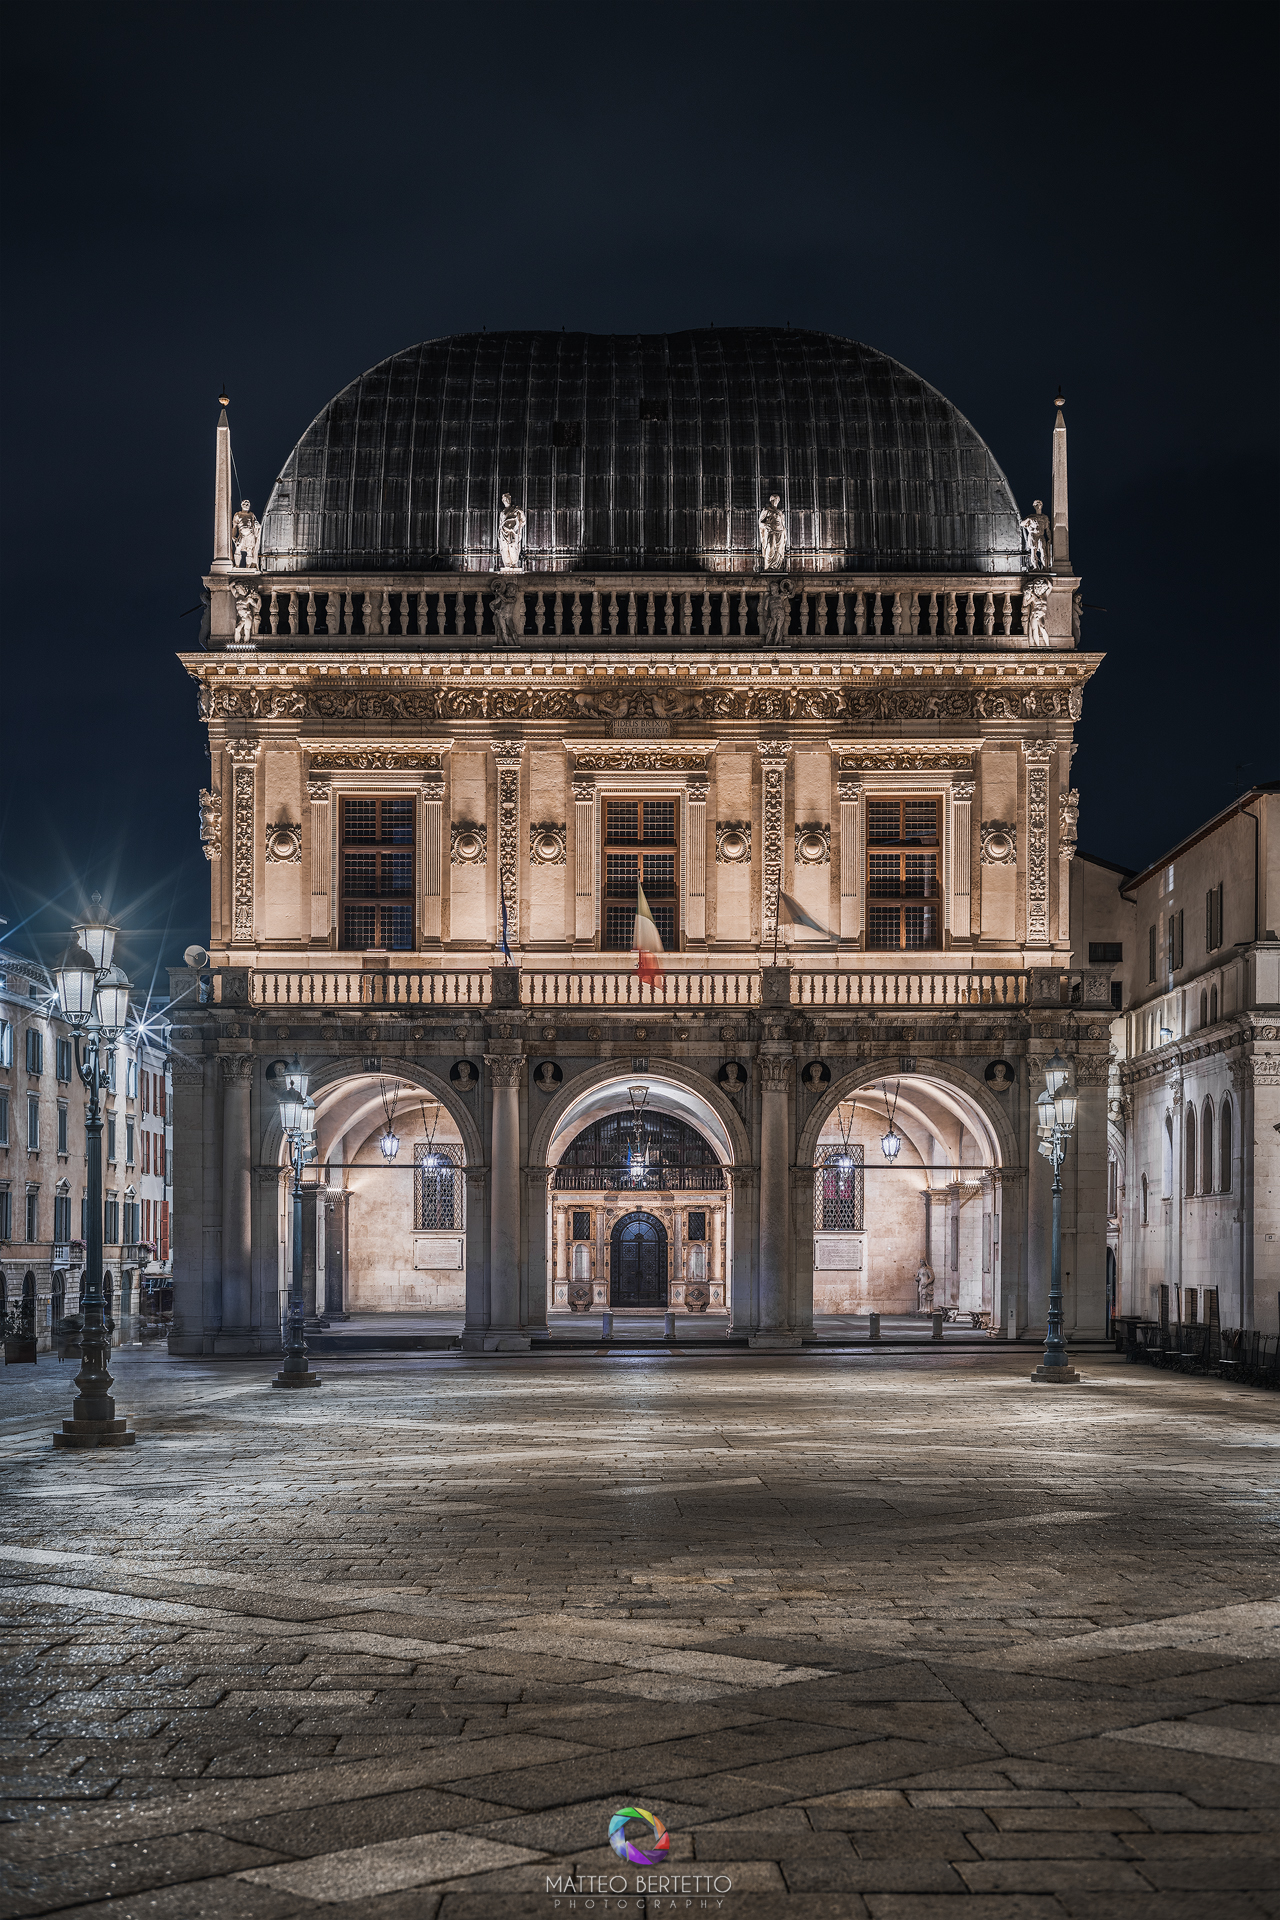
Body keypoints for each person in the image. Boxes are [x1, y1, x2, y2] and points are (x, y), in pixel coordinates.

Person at [497, 492, 526, 570]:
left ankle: (514, 563)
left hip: (512, 533)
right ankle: (507, 564)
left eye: (508, 499)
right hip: (503, 532)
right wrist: (500, 534)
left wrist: (521, 512)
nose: (506, 501)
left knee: (513, 547)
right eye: (505, 499)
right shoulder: (502, 513)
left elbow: (523, 521)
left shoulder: (515, 510)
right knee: (505, 548)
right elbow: (501, 524)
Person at [759, 493, 787, 570]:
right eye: (773, 500)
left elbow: (783, 523)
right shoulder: (766, 510)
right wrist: (767, 524)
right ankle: (768, 565)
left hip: (780, 532)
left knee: (778, 549)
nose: (775, 501)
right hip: (771, 531)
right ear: (770, 501)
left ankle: (776, 566)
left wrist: (784, 533)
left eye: (776, 500)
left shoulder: (780, 512)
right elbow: (761, 522)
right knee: (770, 548)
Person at [231, 500, 261, 570]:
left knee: (249, 550)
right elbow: (234, 527)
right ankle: (237, 566)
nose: (246, 505)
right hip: (242, 535)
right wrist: (233, 536)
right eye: (245, 504)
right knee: (238, 548)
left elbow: (255, 524)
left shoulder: (251, 514)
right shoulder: (237, 515)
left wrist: (257, 525)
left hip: (250, 535)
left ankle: (248, 567)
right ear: (241, 505)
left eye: (248, 504)